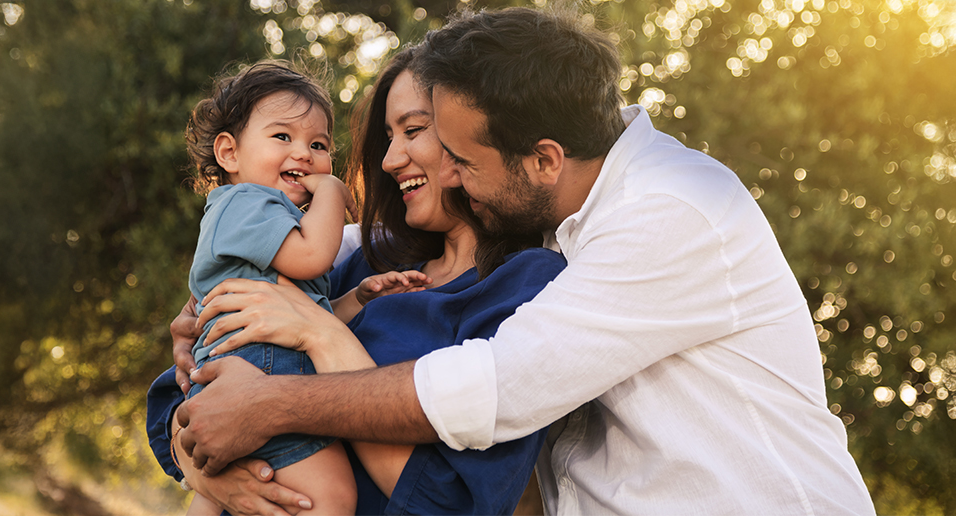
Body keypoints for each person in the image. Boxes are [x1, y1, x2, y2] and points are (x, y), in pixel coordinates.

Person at [176, 7, 877, 515]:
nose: (440, 172)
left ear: (542, 159)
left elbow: (495, 389)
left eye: (458, 157)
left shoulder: (670, 211)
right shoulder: (546, 218)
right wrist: (209, 438)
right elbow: (219, 348)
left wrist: (279, 395)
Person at [148, 47, 566, 515]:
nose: (389, 160)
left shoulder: (529, 286)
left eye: (413, 130)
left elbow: (450, 503)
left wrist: (321, 335)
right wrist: (211, 475)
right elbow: (179, 402)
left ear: (473, 133)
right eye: (388, 137)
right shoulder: (365, 259)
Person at [175, 60, 354, 516]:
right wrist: (333, 191)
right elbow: (313, 257)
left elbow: (306, 312)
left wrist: (361, 296)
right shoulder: (247, 203)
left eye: (318, 144)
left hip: (248, 363)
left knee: (216, 492)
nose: (304, 153)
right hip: (259, 368)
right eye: (283, 137)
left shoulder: (264, 217)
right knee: (330, 497)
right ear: (229, 154)